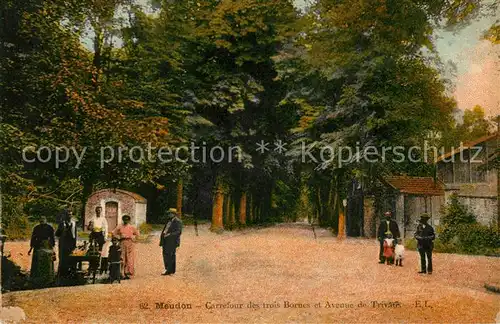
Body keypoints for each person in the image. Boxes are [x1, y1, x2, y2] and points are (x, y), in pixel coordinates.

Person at [28, 217, 56, 287]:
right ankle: (37, 280)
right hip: (38, 245)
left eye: (43, 221)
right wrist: (31, 247)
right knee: (37, 262)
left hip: (46, 245)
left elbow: (52, 238)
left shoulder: (49, 228)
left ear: (46, 221)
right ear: (39, 221)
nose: (42, 222)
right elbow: (33, 238)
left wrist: (52, 247)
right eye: (41, 221)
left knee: (47, 262)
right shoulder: (36, 228)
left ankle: (49, 279)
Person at [112, 215, 139, 279]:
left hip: (130, 243)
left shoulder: (132, 227)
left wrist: (133, 239)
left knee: (129, 258)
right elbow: (114, 233)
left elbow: (137, 234)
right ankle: (122, 273)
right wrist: (119, 238)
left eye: (127, 220)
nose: (126, 221)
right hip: (122, 243)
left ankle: (128, 273)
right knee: (122, 257)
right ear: (123, 220)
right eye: (124, 219)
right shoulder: (120, 226)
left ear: (129, 220)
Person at [160, 208, 182, 276]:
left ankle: (170, 270)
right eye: (169, 213)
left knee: (171, 255)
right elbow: (166, 229)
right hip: (165, 240)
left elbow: (178, 232)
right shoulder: (169, 220)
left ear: (174, 214)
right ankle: (168, 269)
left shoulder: (178, 221)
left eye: (170, 213)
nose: (169, 214)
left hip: (172, 241)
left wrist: (169, 235)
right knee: (165, 254)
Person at [55, 209, 77, 278]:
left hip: (71, 242)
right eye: (68, 215)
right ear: (65, 215)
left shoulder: (74, 223)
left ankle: (71, 273)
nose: (69, 216)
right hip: (64, 243)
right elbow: (57, 234)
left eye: (70, 214)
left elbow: (75, 234)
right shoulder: (62, 223)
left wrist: (75, 243)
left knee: (72, 257)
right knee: (63, 258)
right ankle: (62, 274)